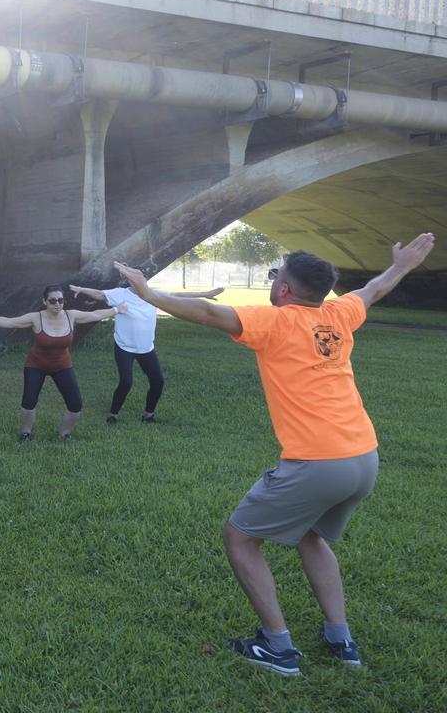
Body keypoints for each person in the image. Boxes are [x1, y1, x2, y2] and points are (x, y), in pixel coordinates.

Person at [112, 232, 436, 676]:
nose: (273, 280)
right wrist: (400, 266)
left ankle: (278, 649)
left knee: (240, 539)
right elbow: (373, 289)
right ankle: (341, 640)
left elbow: (208, 312)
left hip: (318, 462)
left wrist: (145, 291)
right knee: (310, 535)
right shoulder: (338, 313)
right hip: (363, 457)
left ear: (284, 288)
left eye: (276, 274)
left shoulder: (275, 322)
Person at [0, 286, 124, 440]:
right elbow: (9, 322)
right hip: (36, 365)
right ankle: (26, 433)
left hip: (62, 365)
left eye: (60, 300)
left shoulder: (71, 315)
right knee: (29, 400)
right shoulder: (35, 318)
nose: (57, 304)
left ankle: (64, 434)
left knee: (75, 404)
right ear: (44, 301)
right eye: (52, 300)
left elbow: (95, 315)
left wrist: (117, 310)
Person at [70, 275, 223, 424]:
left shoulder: (153, 294)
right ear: (129, 280)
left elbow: (178, 295)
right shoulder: (120, 293)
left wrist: (205, 294)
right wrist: (81, 289)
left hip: (146, 348)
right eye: (133, 279)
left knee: (158, 381)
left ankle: (148, 415)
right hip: (124, 347)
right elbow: (99, 294)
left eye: (141, 279)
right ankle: (113, 414)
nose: (138, 281)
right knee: (126, 382)